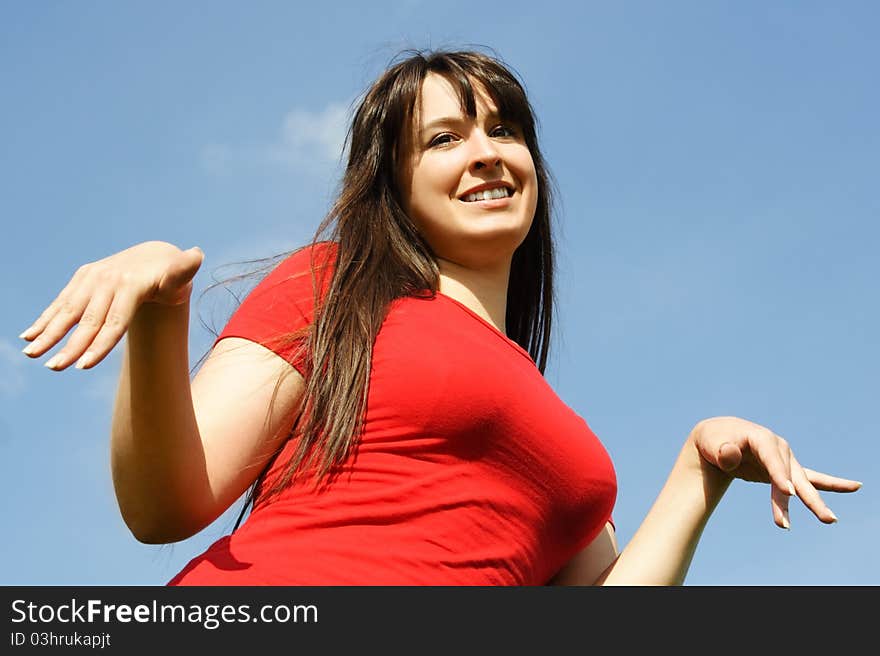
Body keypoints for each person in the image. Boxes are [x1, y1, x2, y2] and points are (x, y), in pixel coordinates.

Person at [20, 48, 861, 586]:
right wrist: (161, 318)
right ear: (396, 186)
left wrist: (696, 471)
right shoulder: (336, 288)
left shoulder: (561, 442)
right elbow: (165, 505)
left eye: (503, 130)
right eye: (445, 139)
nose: (487, 152)